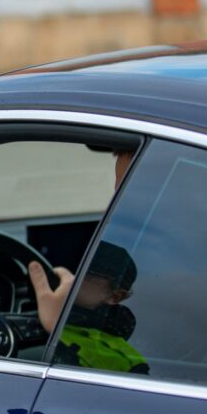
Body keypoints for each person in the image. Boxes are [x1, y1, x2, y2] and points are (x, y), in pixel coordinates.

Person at [27, 151, 149, 375]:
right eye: (80, 270)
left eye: (90, 276)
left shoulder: (125, 356)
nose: (78, 280)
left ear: (116, 296)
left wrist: (57, 327)